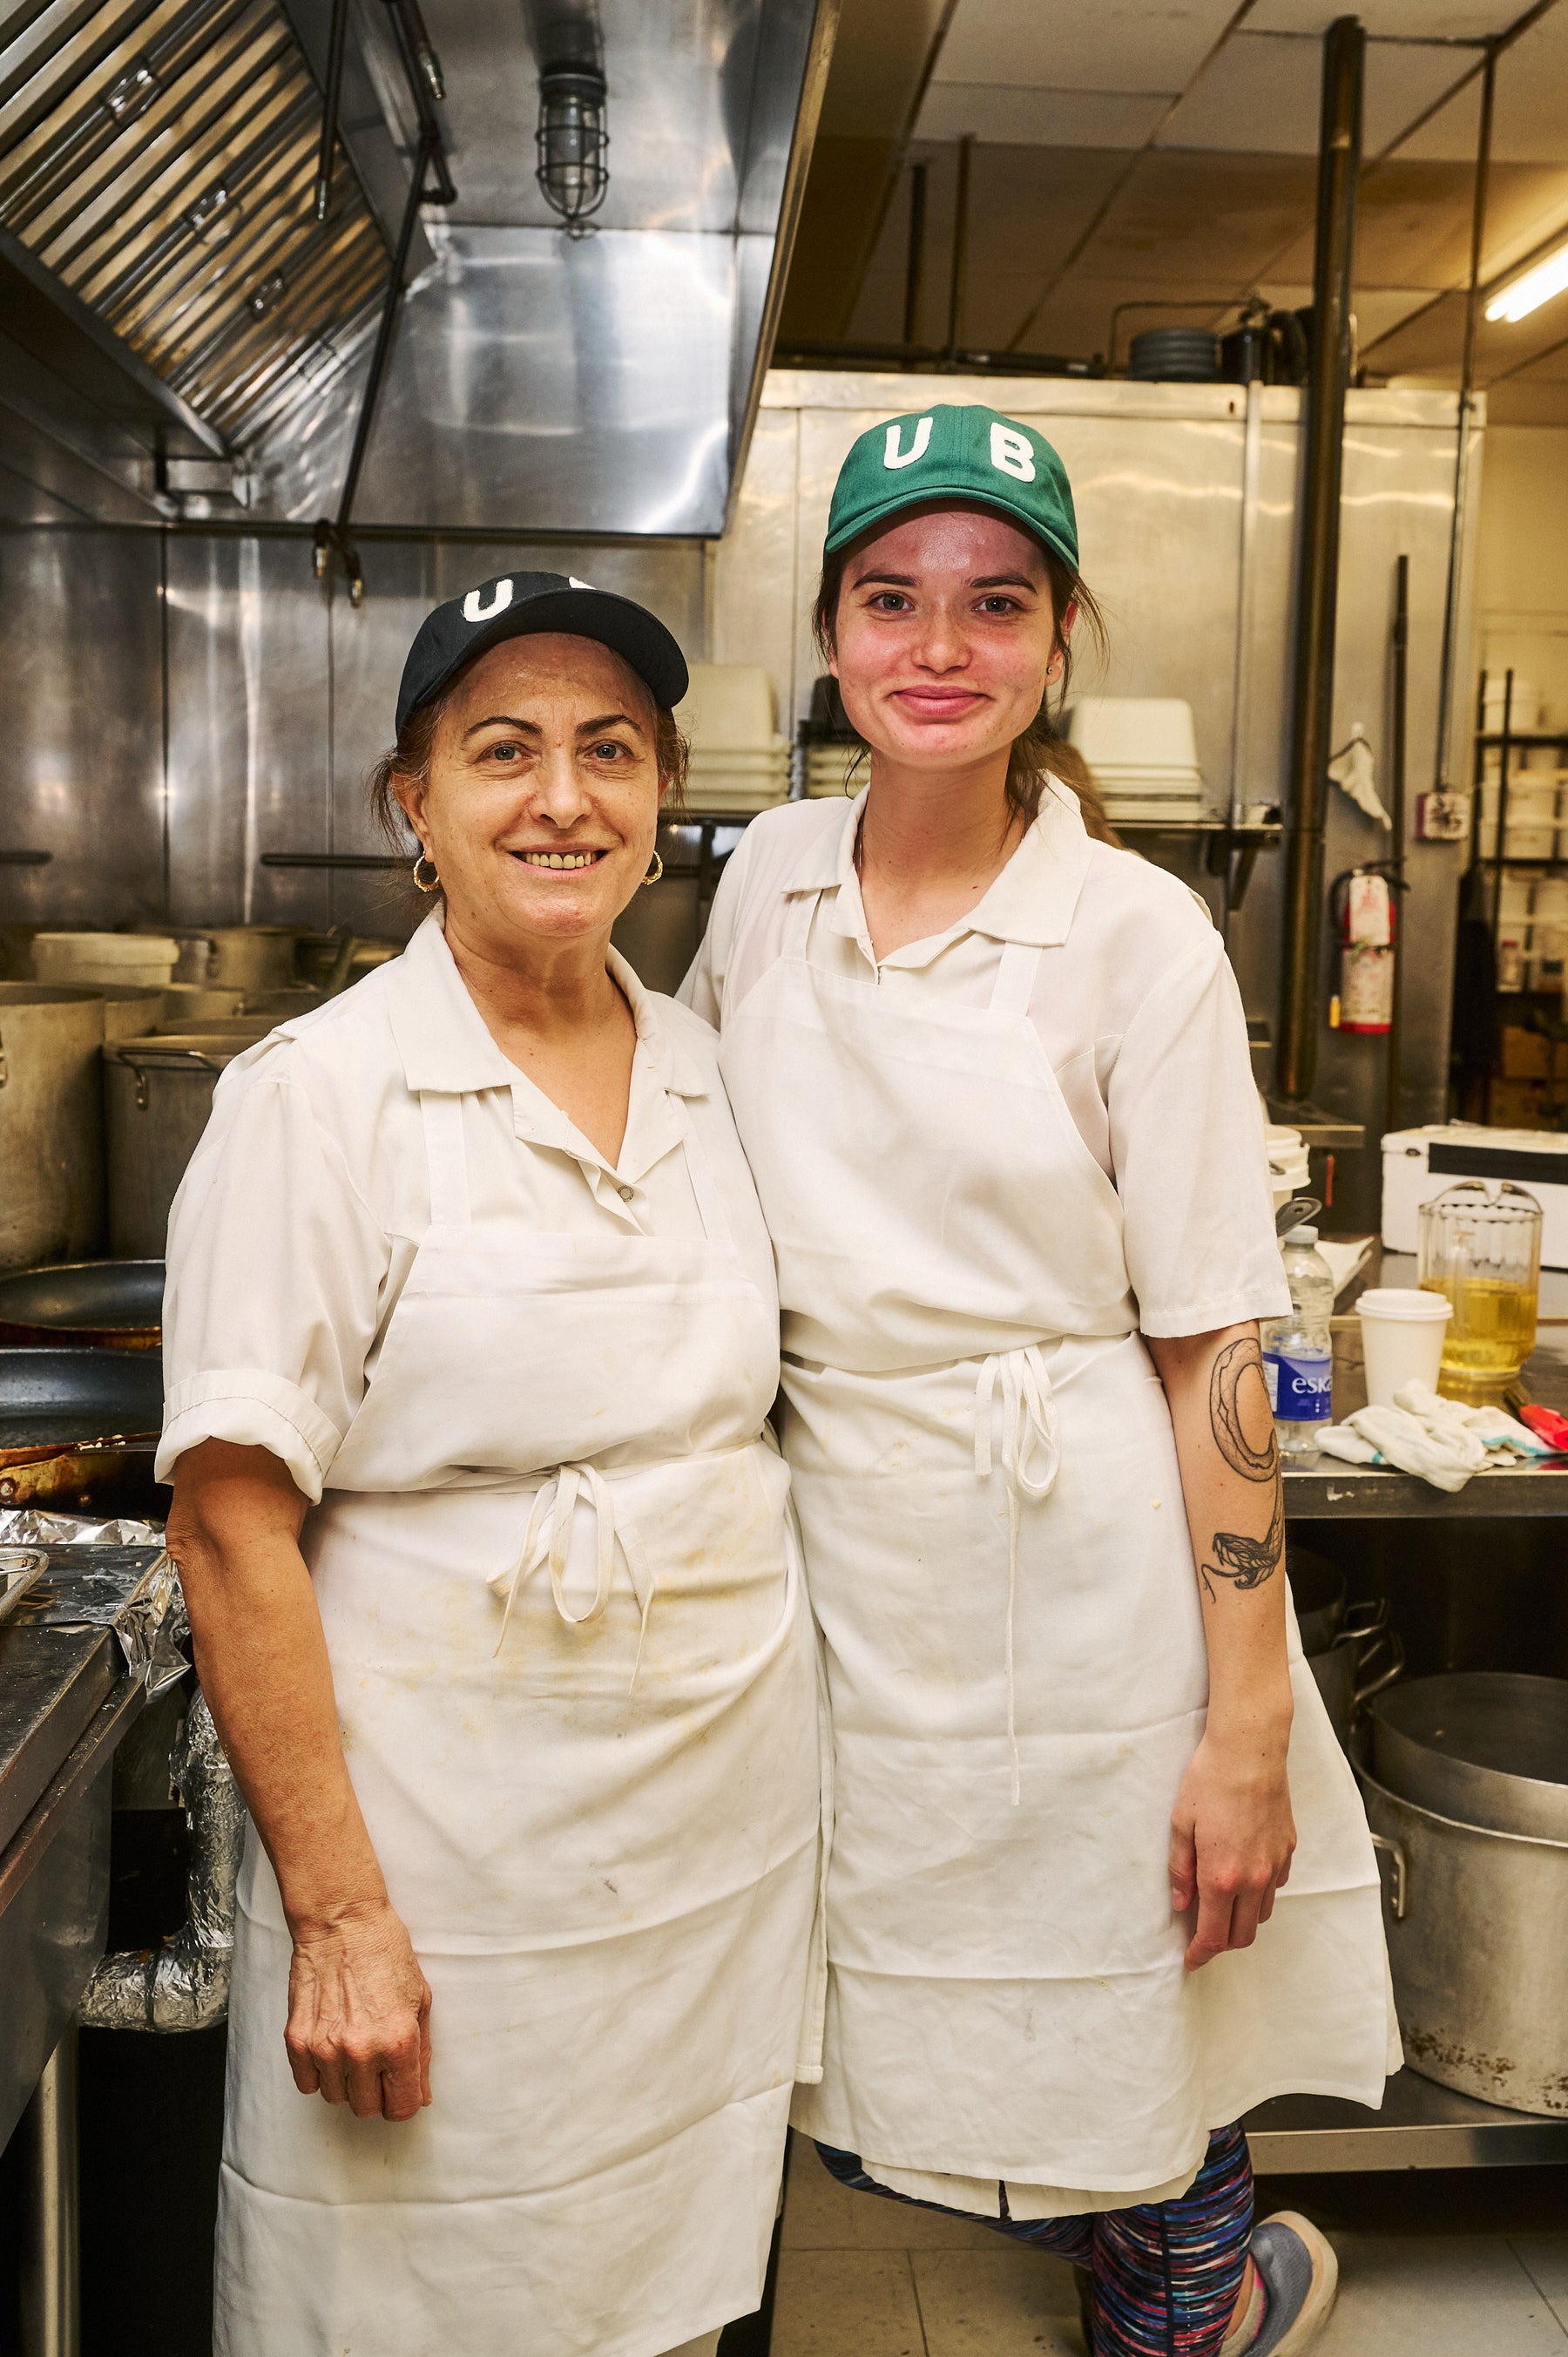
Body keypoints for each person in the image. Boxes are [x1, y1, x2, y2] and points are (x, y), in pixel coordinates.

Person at [682, 408, 1398, 2357]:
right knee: (899, 1979)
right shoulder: (767, 879)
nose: (939, 646)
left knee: (1137, 1973)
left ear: (1058, 638)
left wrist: (1245, 1723)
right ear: (829, 632)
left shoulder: (1136, 938)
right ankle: (1146, 2268)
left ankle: (1197, 2306)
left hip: (1077, 1548)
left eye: (994, 604)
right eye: (892, 599)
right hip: (841, 1542)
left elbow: (1216, 1341)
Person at [160, 572, 822, 2357]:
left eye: (611, 751)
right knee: (422, 2295)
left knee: (675, 2298)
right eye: (503, 751)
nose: (563, 798)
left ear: (665, 794)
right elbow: (231, 1530)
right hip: (447, 1859)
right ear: (417, 805)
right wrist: (343, 1914)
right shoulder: (320, 1097)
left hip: (704, 1860)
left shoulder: (705, 1068)